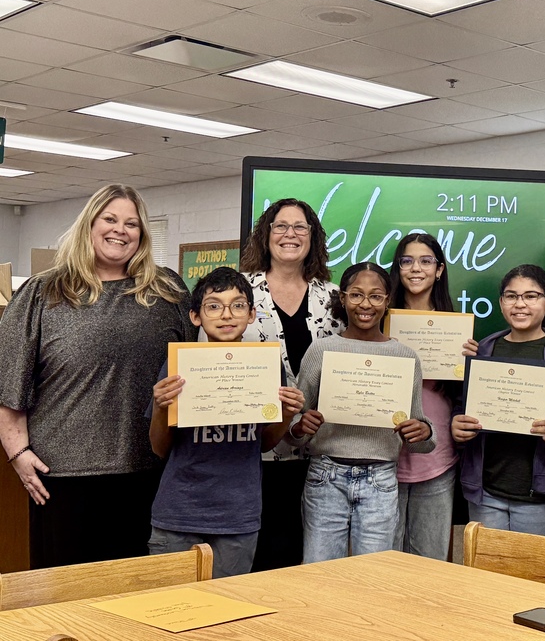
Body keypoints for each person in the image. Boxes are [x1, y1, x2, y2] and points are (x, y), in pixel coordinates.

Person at [0, 184, 196, 568]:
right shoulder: (43, 292)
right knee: (67, 599)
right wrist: (19, 455)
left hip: (148, 472)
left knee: (135, 598)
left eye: (131, 223)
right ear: (89, 224)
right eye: (109, 219)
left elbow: (188, 373)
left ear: (142, 234)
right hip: (62, 476)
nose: (120, 230)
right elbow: (9, 386)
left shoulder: (168, 290)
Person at [147, 267, 305, 578]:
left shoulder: (266, 366)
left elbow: (265, 443)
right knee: (168, 607)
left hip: (238, 513)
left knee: (227, 609)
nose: (226, 314)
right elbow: (159, 448)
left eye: (237, 305)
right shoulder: (178, 365)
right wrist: (160, 406)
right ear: (196, 316)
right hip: (179, 512)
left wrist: (287, 413)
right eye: (214, 305)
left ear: (251, 314)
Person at [290, 262, 435, 561]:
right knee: (319, 573)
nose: (365, 304)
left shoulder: (405, 357)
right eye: (356, 295)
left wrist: (423, 430)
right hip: (325, 475)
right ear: (342, 298)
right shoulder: (320, 350)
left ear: (388, 299)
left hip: (381, 479)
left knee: (374, 577)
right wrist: (300, 426)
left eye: (375, 296)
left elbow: (420, 436)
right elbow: (293, 426)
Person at [238, 198, 342, 570]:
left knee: (304, 551)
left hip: (316, 447)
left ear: (313, 237)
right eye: (281, 226)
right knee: (255, 551)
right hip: (254, 447)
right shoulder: (240, 292)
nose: (290, 234)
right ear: (266, 235)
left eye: (300, 227)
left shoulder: (332, 297)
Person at [454, 264, 545, 536]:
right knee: (484, 572)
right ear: (501, 303)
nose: (520, 304)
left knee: (530, 573)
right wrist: (458, 424)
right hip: (486, 489)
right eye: (511, 296)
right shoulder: (483, 350)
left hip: (540, 494)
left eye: (531, 296)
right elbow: (462, 405)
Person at [388, 234, 460, 561]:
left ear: (439, 270)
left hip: (437, 458)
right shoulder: (378, 318)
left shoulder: (456, 328)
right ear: (398, 268)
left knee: (430, 562)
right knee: (383, 563)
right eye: (407, 260)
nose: (416, 268)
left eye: (426, 260)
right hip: (385, 455)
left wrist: (467, 364)